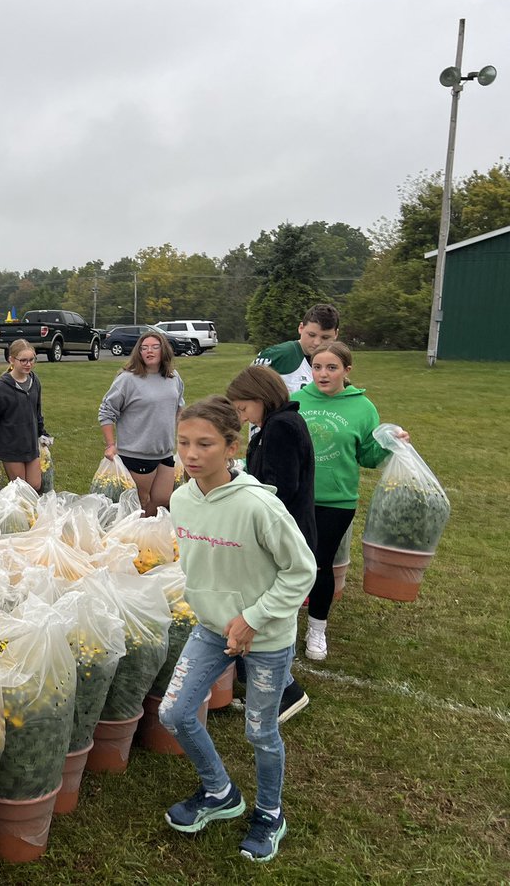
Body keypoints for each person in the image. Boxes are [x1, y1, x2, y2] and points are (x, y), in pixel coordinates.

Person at [160, 396, 315, 863]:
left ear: (232, 445)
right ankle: (220, 792)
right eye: (184, 442)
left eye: (205, 443)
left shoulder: (257, 506)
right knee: (174, 713)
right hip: (210, 627)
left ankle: (270, 813)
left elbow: (301, 570)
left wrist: (253, 618)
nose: (191, 453)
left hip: (264, 635)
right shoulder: (181, 498)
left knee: (260, 732)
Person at [293, 342, 406, 661]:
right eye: (316, 367)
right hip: (296, 498)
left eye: (331, 368)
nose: (323, 374)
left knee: (320, 564)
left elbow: (368, 457)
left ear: (347, 371)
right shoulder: (296, 401)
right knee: (287, 562)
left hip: (337, 500)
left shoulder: (363, 407)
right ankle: (282, 626)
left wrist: (390, 443)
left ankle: (317, 629)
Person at [226, 364, 316, 723]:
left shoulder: (281, 427)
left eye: (243, 408)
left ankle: (287, 692)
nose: (241, 416)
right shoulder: (272, 425)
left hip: (282, 533)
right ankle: (261, 684)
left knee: (265, 612)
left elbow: (281, 486)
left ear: (262, 399)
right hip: (278, 530)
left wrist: (240, 489)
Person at [98, 331, 184, 516]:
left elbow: (179, 406)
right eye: (144, 348)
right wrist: (110, 445)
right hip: (137, 453)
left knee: (163, 499)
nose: (149, 351)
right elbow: (106, 411)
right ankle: (135, 538)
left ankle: (146, 533)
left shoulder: (173, 377)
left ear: (164, 350)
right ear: (139, 352)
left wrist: (183, 439)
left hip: (164, 451)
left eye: (154, 347)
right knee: (141, 502)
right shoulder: (128, 379)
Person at [0, 339, 50, 492]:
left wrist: (42, 433)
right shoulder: (0, 388)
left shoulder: (35, 381)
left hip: (30, 444)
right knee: (20, 489)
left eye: (31, 360)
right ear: (11, 360)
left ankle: (29, 513)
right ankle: (16, 514)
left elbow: (37, 412)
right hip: (11, 446)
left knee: (35, 485)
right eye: (23, 360)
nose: (28, 364)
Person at [253, 303, 339, 395]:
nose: (317, 342)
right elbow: (247, 392)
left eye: (325, 337)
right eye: (311, 335)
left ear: (336, 334)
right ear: (301, 328)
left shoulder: (338, 363)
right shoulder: (277, 356)